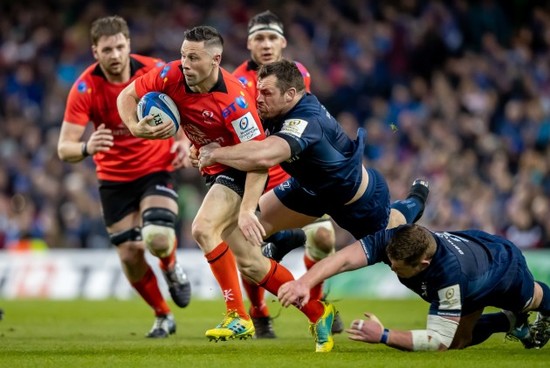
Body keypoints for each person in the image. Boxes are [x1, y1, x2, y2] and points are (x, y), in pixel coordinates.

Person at [117, 26, 341, 352]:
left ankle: (238, 315)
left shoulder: (235, 101)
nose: (185, 63)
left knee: (203, 227)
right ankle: (319, 312)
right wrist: (136, 126)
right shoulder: (169, 75)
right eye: (183, 55)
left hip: (241, 169)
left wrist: (248, 209)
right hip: (214, 169)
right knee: (251, 264)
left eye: (193, 57)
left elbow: (259, 160)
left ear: (215, 59)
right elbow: (127, 95)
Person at [197, 59, 429, 351]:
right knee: (245, 233)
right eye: (258, 91)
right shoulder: (275, 108)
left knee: (398, 249)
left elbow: (266, 155)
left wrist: (217, 154)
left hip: (357, 200)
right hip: (308, 190)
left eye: (266, 93)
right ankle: (288, 253)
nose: (259, 98)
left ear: (291, 95)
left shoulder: (305, 119)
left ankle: (413, 202)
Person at [57, 15, 192, 338]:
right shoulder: (85, 88)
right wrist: (88, 146)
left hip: (155, 169)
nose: (115, 55)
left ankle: (171, 266)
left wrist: (184, 142)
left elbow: (189, 110)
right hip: (114, 180)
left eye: (120, 47)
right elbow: (64, 148)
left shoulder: (154, 71)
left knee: (157, 236)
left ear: (129, 45)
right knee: (131, 255)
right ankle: (162, 315)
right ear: (95, 51)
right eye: (107, 49)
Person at [232, 10, 341, 338]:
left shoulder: (299, 75)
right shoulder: (235, 82)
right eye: (259, 38)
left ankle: (318, 303)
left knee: (324, 237)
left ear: (283, 42)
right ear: (249, 43)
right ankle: (259, 312)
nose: (266, 44)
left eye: (271, 38)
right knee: (246, 249)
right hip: (258, 178)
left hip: (299, 176)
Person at [278, 223, 550, 351]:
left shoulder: (448, 277)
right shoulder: (395, 239)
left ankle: (515, 316)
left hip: (503, 268)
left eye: (398, 266)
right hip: (474, 254)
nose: (392, 268)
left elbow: (437, 342)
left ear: (423, 263)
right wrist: (304, 282)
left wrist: (384, 335)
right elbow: (346, 258)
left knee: (531, 300)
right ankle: (512, 322)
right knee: (460, 338)